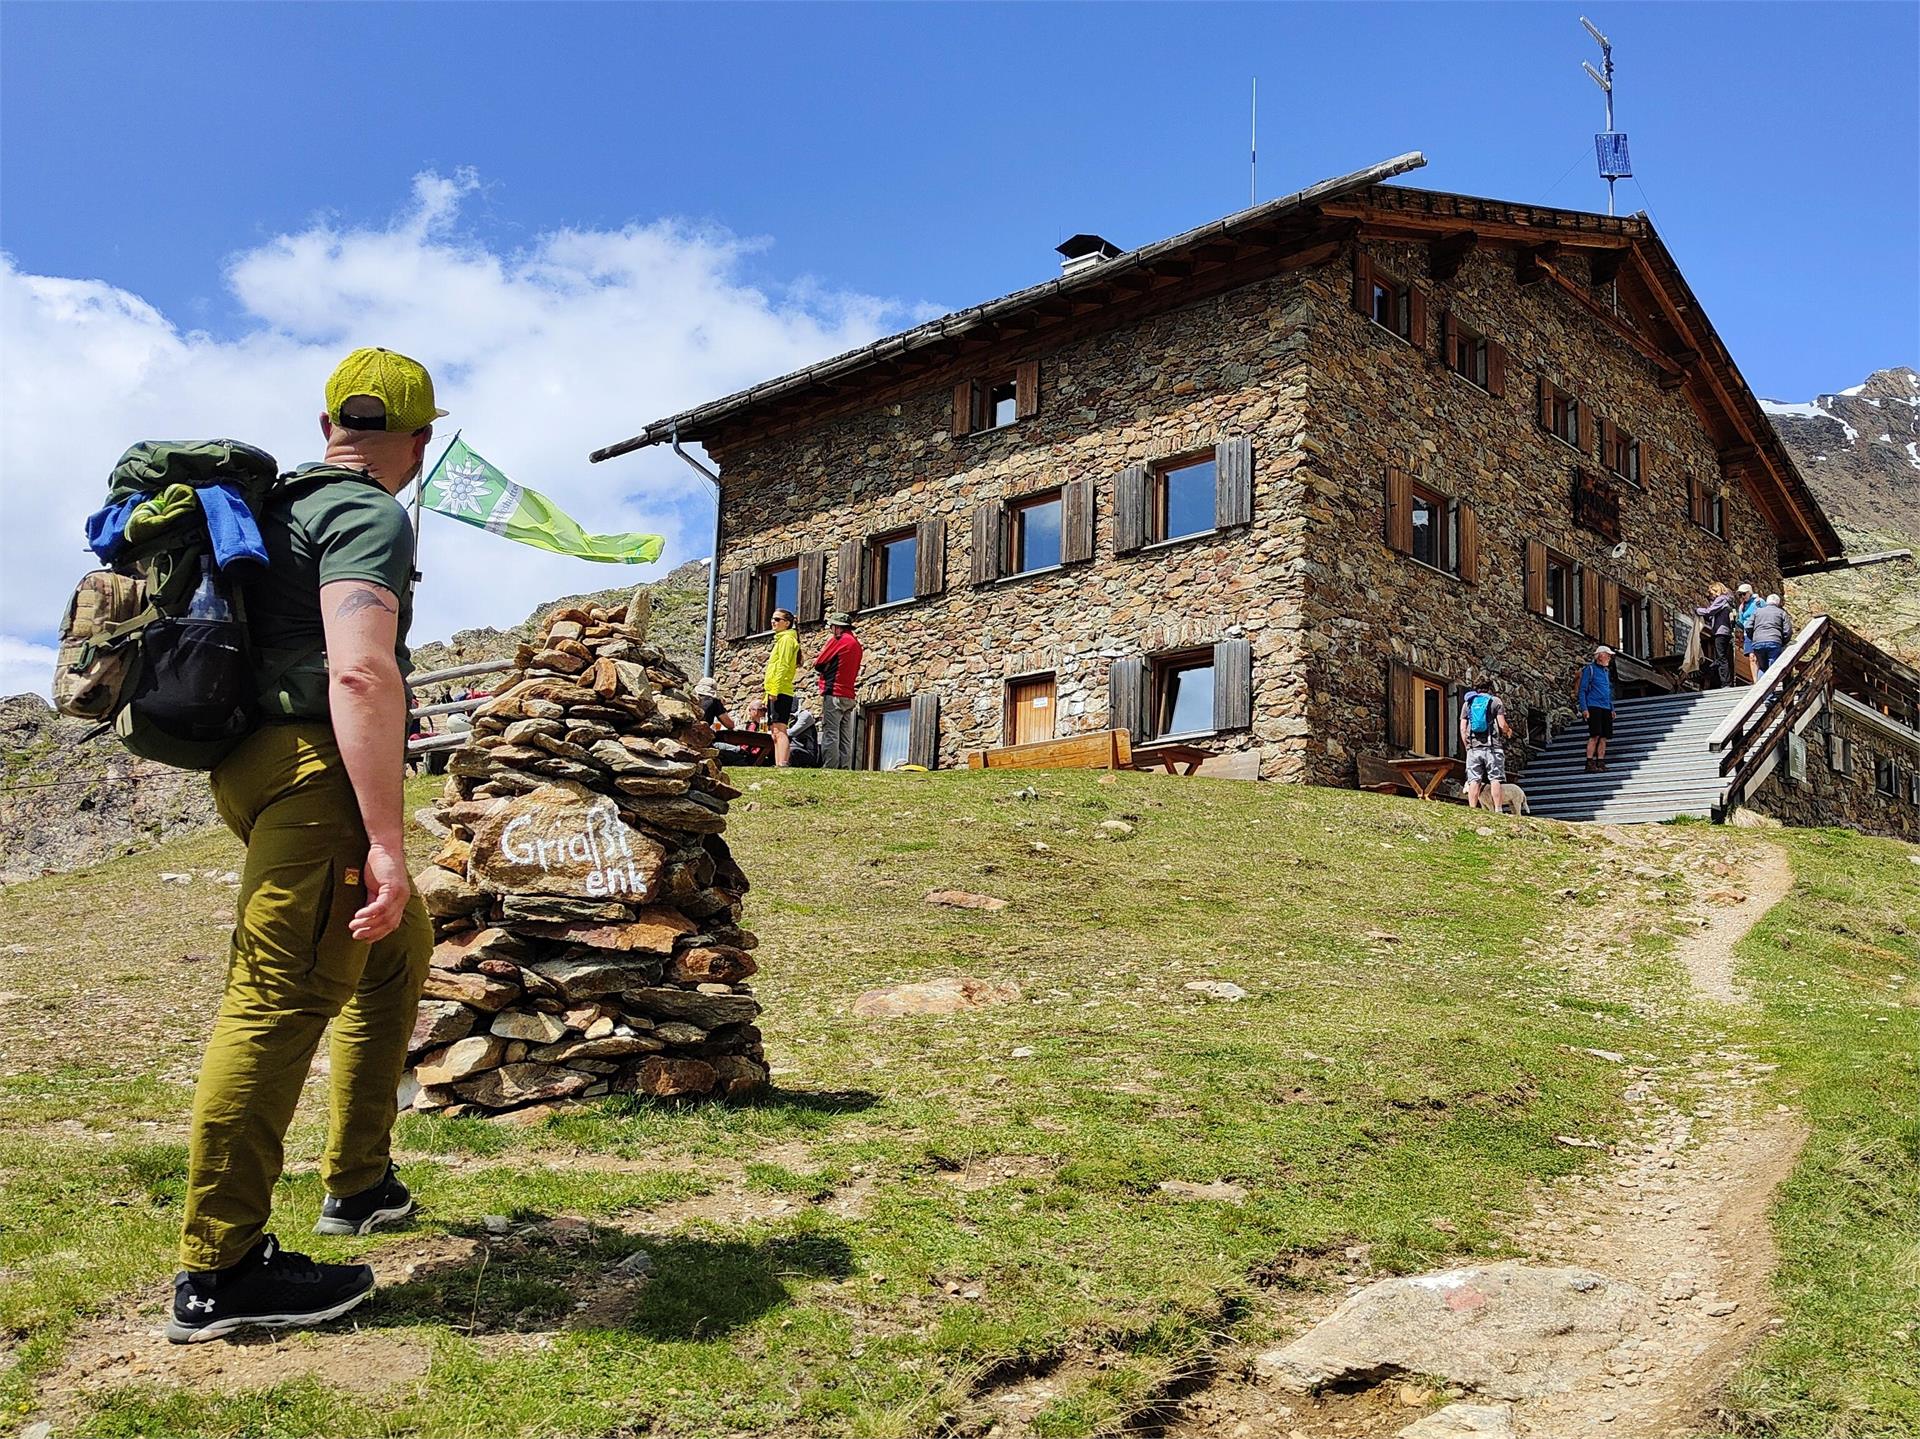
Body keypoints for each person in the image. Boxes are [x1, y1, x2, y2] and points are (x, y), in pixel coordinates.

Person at [165, 348, 442, 1344]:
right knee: (276, 998)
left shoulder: (276, 504)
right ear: (416, 438)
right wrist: (387, 836)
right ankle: (221, 1269)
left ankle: (360, 1181)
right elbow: (362, 673)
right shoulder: (370, 512)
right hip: (315, 775)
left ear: (328, 420)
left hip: (248, 763)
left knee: (400, 942)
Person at [811, 611, 864, 769]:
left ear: (838, 628)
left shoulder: (838, 640)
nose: (831, 630)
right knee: (845, 735)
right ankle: (845, 767)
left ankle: (830, 767)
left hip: (834, 692)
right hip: (849, 695)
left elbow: (818, 663)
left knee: (831, 733)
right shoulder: (856, 644)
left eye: (832, 626)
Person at [1458, 675, 1513, 813]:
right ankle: (1498, 809)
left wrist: (1467, 746)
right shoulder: (1495, 701)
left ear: (1475, 688)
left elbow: (1463, 728)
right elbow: (1501, 724)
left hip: (1473, 748)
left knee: (1474, 780)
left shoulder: (1468, 703)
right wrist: (1508, 731)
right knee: (1495, 779)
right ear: (1490, 688)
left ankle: (1472, 810)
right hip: (1492, 747)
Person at [763, 608, 800, 767]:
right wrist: (768, 693)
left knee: (780, 730)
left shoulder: (786, 640)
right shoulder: (782, 639)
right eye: (773, 619)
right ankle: (779, 764)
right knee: (774, 732)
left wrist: (774, 690)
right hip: (775, 690)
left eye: (777, 619)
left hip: (781, 690)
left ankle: (782, 763)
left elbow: (783, 666)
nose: (773, 622)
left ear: (787, 623)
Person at [1575, 645, 1615, 772]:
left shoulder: (1605, 672)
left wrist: (1611, 708)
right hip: (1593, 706)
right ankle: (1589, 762)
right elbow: (1582, 691)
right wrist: (1584, 709)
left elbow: (1607, 691)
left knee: (1604, 736)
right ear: (1600, 656)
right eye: (1607, 655)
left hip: (1605, 707)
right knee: (1595, 735)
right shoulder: (1590, 669)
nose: (1609, 657)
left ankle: (1601, 762)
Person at [1694, 582, 1735, 688]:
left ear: (1717, 590)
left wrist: (1698, 610)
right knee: (1720, 658)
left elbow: (1710, 611)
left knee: (1721, 658)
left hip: (1720, 632)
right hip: (1726, 632)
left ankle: (1725, 683)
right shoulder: (1728, 601)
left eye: (1712, 592)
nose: (1711, 596)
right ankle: (1715, 678)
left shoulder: (1721, 599)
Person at [1748, 592, 1794, 675]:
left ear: (1766, 602)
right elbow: (1788, 631)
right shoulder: (1781, 613)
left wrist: (1754, 638)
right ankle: (1772, 687)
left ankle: (1760, 687)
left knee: (1762, 668)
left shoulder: (1757, 612)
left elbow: (1748, 626)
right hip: (1774, 642)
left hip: (1758, 643)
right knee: (1773, 667)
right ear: (1778, 603)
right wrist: (1782, 642)